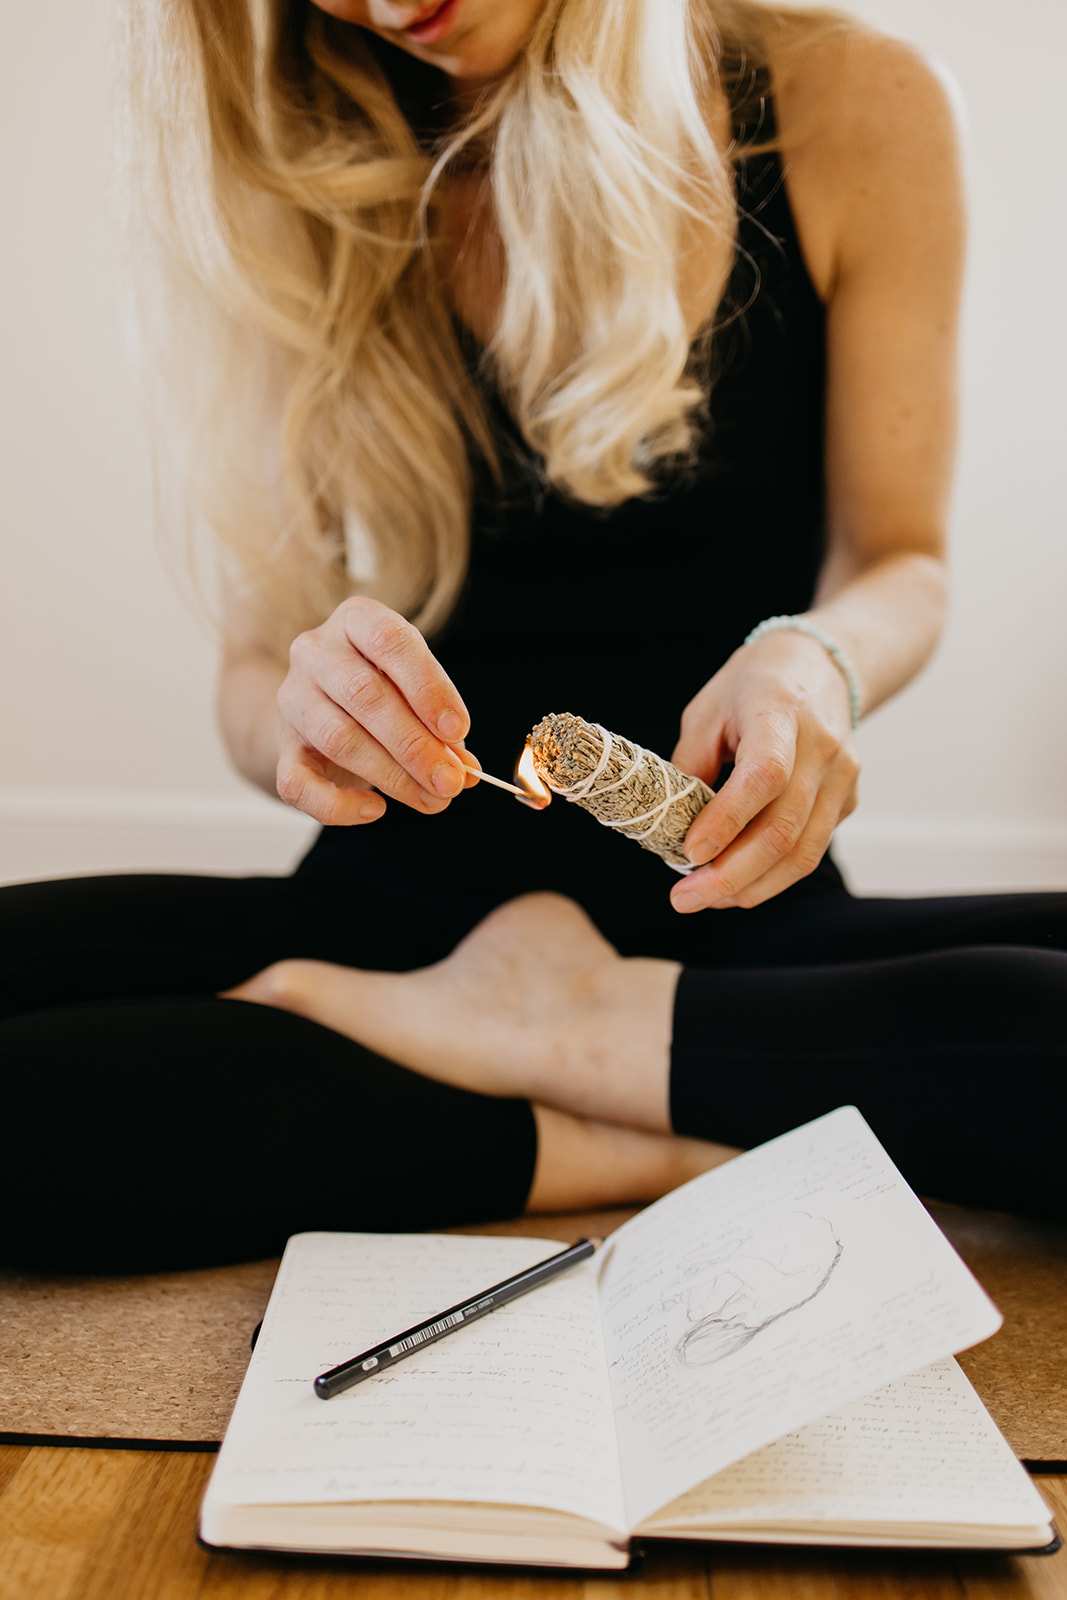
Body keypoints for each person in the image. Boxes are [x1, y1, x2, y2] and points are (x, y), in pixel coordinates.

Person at [2, 0, 1064, 1272]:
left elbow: (900, 562)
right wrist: (307, 719)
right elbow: (252, 666)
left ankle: (594, 1031)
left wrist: (813, 659)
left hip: (728, 907)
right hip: (405, 937)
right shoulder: (294, 151)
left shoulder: (855, 105)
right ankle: (628, 1125)